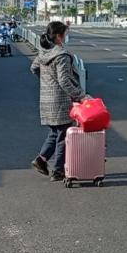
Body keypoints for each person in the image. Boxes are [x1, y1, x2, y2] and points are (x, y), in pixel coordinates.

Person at [30, 21, 88, 181]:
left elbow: (33, 68)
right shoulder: (61, 55)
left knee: (55, 132)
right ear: (58, 36)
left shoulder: (44, 53)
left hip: (46, 99)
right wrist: (80, 95)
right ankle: (58, 170)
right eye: (65, 34)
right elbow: (64, 80)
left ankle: (41, 160)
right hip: (60, 100)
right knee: (63, 135)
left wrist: (47, 82)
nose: (66, 37)